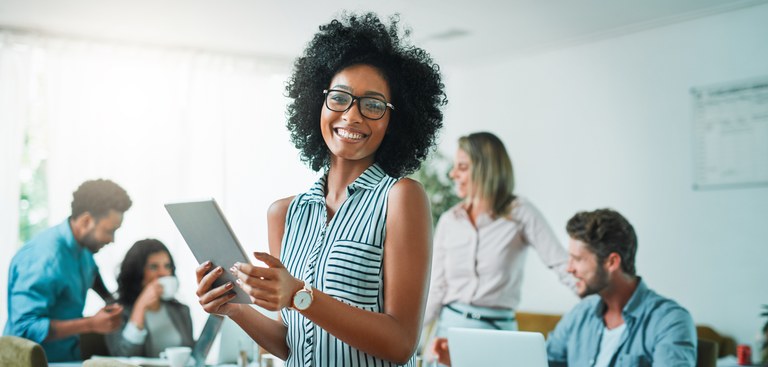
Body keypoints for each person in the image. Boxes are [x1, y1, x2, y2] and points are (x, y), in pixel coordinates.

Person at [194, 12, 447, 367]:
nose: (352, 116)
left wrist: (300, 293)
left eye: (373, 105)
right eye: (340, 97)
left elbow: (401, 342)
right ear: (319, 101)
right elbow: (291, 343)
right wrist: (232, 308)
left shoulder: (400, 198)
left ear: (395, 121)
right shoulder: (284, 213)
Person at [432, 208, 697, 366]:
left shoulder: (670, 321)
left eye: (578, 260)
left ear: (612, 262)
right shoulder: (581, 316)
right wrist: (465, 360)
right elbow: (538, 365)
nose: (569, 268)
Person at [424, 132, 573, 341]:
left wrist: (605, 298)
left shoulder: (521, 212)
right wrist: (405, 338)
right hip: (448, 333)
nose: (453, 174)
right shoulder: (450, 220)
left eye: (463, 167)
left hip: (497, 333)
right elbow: (436, 289)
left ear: (486, 170)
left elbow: (563, 265)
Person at [4, 179, 132, 362]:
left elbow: (92, 273)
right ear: (87, 220)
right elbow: (25, 328)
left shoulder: (84, 250)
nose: (112, 239)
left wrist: (110, 299)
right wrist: (90, 324)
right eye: (109, 231)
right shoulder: (43, 258)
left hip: (66, 358)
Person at [106, 239, 194, 357]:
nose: (163, 273)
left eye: (167, 266)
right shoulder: (116, 311)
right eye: (153, 267)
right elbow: (123, 356)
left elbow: (191, 355)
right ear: (136, 272)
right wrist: (140, 306)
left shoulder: (181, 311)